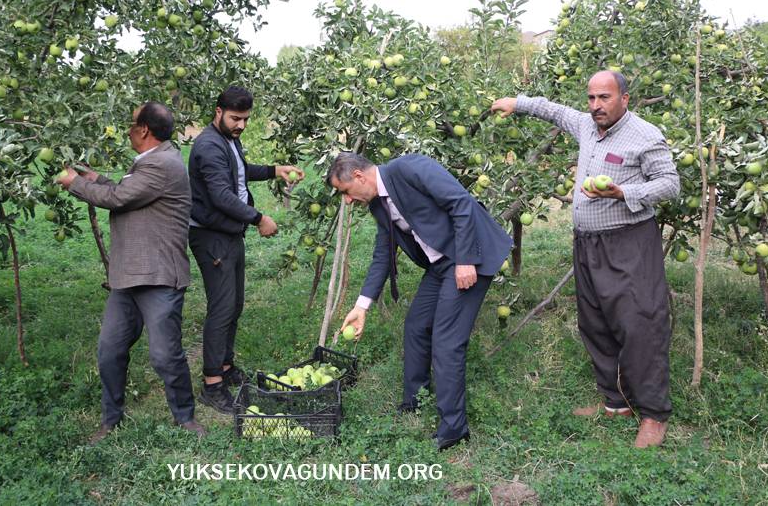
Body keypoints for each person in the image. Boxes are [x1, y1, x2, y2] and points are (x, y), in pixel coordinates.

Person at [491, 70, 680, 448]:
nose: (596, 106)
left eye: (605, 98)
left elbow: (670, 184)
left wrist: (621, 192)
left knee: (638, 325)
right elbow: (554, 110)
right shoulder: (586, 125)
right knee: (595, 322)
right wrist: (518, 103)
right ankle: (616, 402)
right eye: (592, 98)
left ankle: (654, 414)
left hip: (628, 243)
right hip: (588, 243)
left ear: (624, 98)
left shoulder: (645, 136)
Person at [331, 152, 512, 451]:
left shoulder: (409, 168)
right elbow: (382, 255)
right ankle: (413, 401)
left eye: (345, 192)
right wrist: (361, 307)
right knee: (416, 326)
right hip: (441, 264)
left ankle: (454, 428)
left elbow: (461, 203)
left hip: (470, 256)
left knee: (447, 340)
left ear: (359, 177)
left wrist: (465, 260)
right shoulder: (378, 204)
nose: (347, 201)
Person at [57, 101, 205, 444]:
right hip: (128, 277)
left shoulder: (162, 164)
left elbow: (120, 198)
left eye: (131, 123)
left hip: (157, 276)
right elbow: (127, 190)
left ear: (143, 130)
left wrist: (73, 183)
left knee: (165, 355)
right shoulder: (150, 161)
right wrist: (93, 177)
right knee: (110, 350)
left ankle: (185, 417)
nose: (127, 128)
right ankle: (112, 419)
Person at [188, 86, 304, 414]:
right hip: (212, 236)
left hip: (228, 234)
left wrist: (273, 170)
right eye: (235, 118)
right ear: (218, 111)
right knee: (222, 308)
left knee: (234, 305)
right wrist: (259, 218)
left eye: (245, 119)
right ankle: (212, 385)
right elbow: (222, 195)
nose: (240, 125)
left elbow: (239, 172)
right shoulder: (209, 146)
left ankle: (225, 367)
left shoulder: (229, 140)